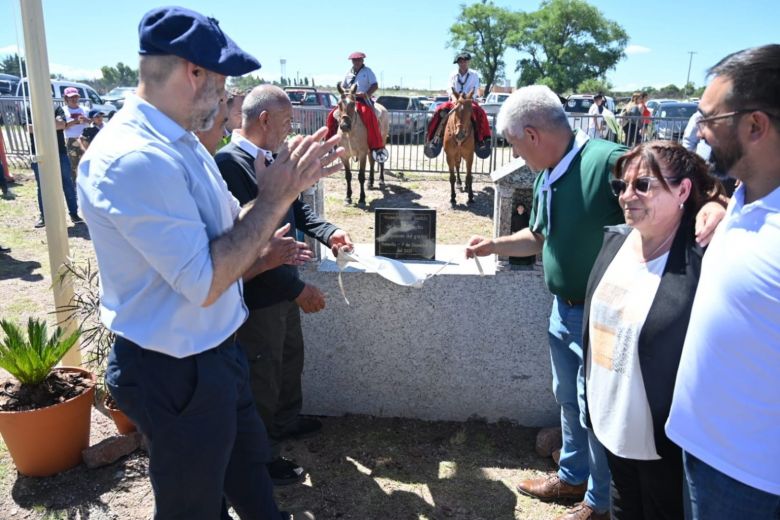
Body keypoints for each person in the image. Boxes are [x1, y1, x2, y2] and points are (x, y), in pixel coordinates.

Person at [77, 7, 344, 519]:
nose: (227, 94)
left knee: (257, 493)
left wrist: (279, 199)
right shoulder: (134, 159)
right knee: (194, 510)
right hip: (174, 371)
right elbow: (203, 279)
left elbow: (223, 235)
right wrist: (273, 202)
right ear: (191, 71)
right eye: (221, 78)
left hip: (216, 356)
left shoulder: (180, 142)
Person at [465, 85, 725, 520]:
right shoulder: (549, 174)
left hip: (614, 317)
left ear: (531, 135)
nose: (628, 194)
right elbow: (539, 237)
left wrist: (717, 205)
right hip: (566, 312)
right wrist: (492, 246)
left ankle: (598, 500)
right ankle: (573, 475)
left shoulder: (606, 160)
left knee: (601, 410)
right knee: (570, 399)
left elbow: (674, 178)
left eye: (511, 142)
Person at [216, 84, 353, 486]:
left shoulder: (271, 159)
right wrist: (298, 291)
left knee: (289, 359)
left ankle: (286, 421)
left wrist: (332, 232)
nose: (290, 128)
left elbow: (299, 211)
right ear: (265, 120)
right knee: (262, 377)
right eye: (288, 121)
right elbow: (249, 243)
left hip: (284, 284)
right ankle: (262, 457)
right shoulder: (230, 163)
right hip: (259, 294)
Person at [666, 44, 780, 519]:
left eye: (708, 119)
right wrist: (722, 205)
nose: (699, 132)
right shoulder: (745, 196)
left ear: (755, 125)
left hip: (750, 477)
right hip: (706, 454)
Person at [582, 141, 725, 519]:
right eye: (621, 187)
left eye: (643, 185)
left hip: (664, 438)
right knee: (622, 507)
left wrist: (720, 206)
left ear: (682, 191)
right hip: (611, 421)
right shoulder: (615, 240)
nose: (627, 196)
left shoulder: (703, 258)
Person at [325, 52, 388, 163]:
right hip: (349, 99)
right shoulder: (349, 73)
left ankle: (374, 142)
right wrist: (345, 92)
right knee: (332, 115)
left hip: (362, 99)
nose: (356, 62)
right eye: (354, 60)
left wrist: (366, 94)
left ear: (362, 61)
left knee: (369, 116)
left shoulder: (368, 71)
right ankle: (331, 143)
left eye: (359, 60)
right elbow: (344, 86)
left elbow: (375, 85)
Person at [425, 52, 492, 156]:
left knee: (480, 112)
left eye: (465, 61)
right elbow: (449, 88)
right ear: (458, 63)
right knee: (439, 110)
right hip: (455, 101)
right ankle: (434, 139)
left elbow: (475, 88)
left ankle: (482, 140)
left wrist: (468, 98)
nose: (463, 63)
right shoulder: (453, 75)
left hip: (469, 101)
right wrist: (454, 98)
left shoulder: (474, 75)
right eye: (460, 61)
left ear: (468, 62)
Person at [27, 106, 82, 227]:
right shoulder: (29, 108)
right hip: (39, 153)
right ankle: (44, 216)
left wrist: (39, 125)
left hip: (60, 153)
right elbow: (29, 128)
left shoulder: (56, 108)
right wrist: (51, 124)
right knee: (42, 186)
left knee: (67, 183)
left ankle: (74, 213)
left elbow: (61, 125)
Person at [61, 87, 89, 182]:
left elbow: (92, 122)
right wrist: (75, 121)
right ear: (66, 98)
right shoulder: (63, 110)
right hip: (70, 139)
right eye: (71, 97)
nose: (74, 99)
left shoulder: (85, 109)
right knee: (73, 165)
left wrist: (86, 120)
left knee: (85, 163)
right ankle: (75, 186)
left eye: (75, 97)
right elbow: (62, 126)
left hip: (84, 139)